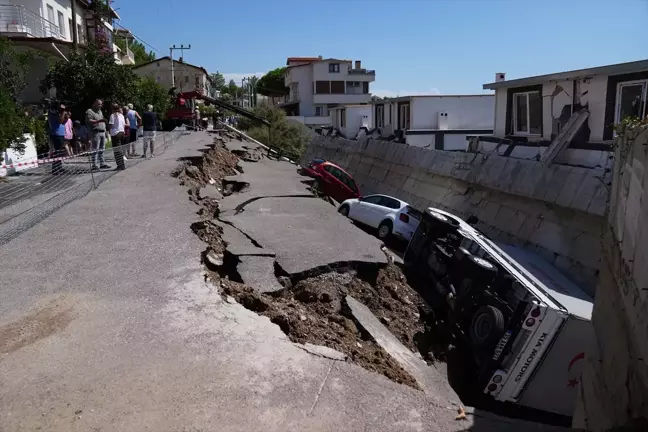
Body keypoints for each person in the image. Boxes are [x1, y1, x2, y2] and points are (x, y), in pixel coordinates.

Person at [86, 99, 110, 170]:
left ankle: (102, 163)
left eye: (101, 104)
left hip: (102, 131)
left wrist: (105, 131)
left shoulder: (100, 111)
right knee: (95, 149)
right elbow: (89, 120)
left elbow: (103, 121)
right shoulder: (89, 111)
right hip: (95, 132)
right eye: (98, 104)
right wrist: (99, 121)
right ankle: (94, 165)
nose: (100, 106)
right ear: (94, 104)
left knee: (102, 149)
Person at [48, 103, 68, 174]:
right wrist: (63, 112)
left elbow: (64, 122)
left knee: (60, 152)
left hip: (61, 133)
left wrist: (66, 116)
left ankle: (59, 167)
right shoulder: (52, 113)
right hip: (56, 134)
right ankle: (55, 169)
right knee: (58, 152)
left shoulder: (58, 114)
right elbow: (60, 121)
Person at [108, 103, 127, 170]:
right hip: (122, 132)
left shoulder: (113, 115)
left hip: (116, 133)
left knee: (117, 150)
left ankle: (120, 165)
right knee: (120, 149)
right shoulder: (121, 115)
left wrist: (106, 124)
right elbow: (124, 124)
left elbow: (111, 125)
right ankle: (122, 164)